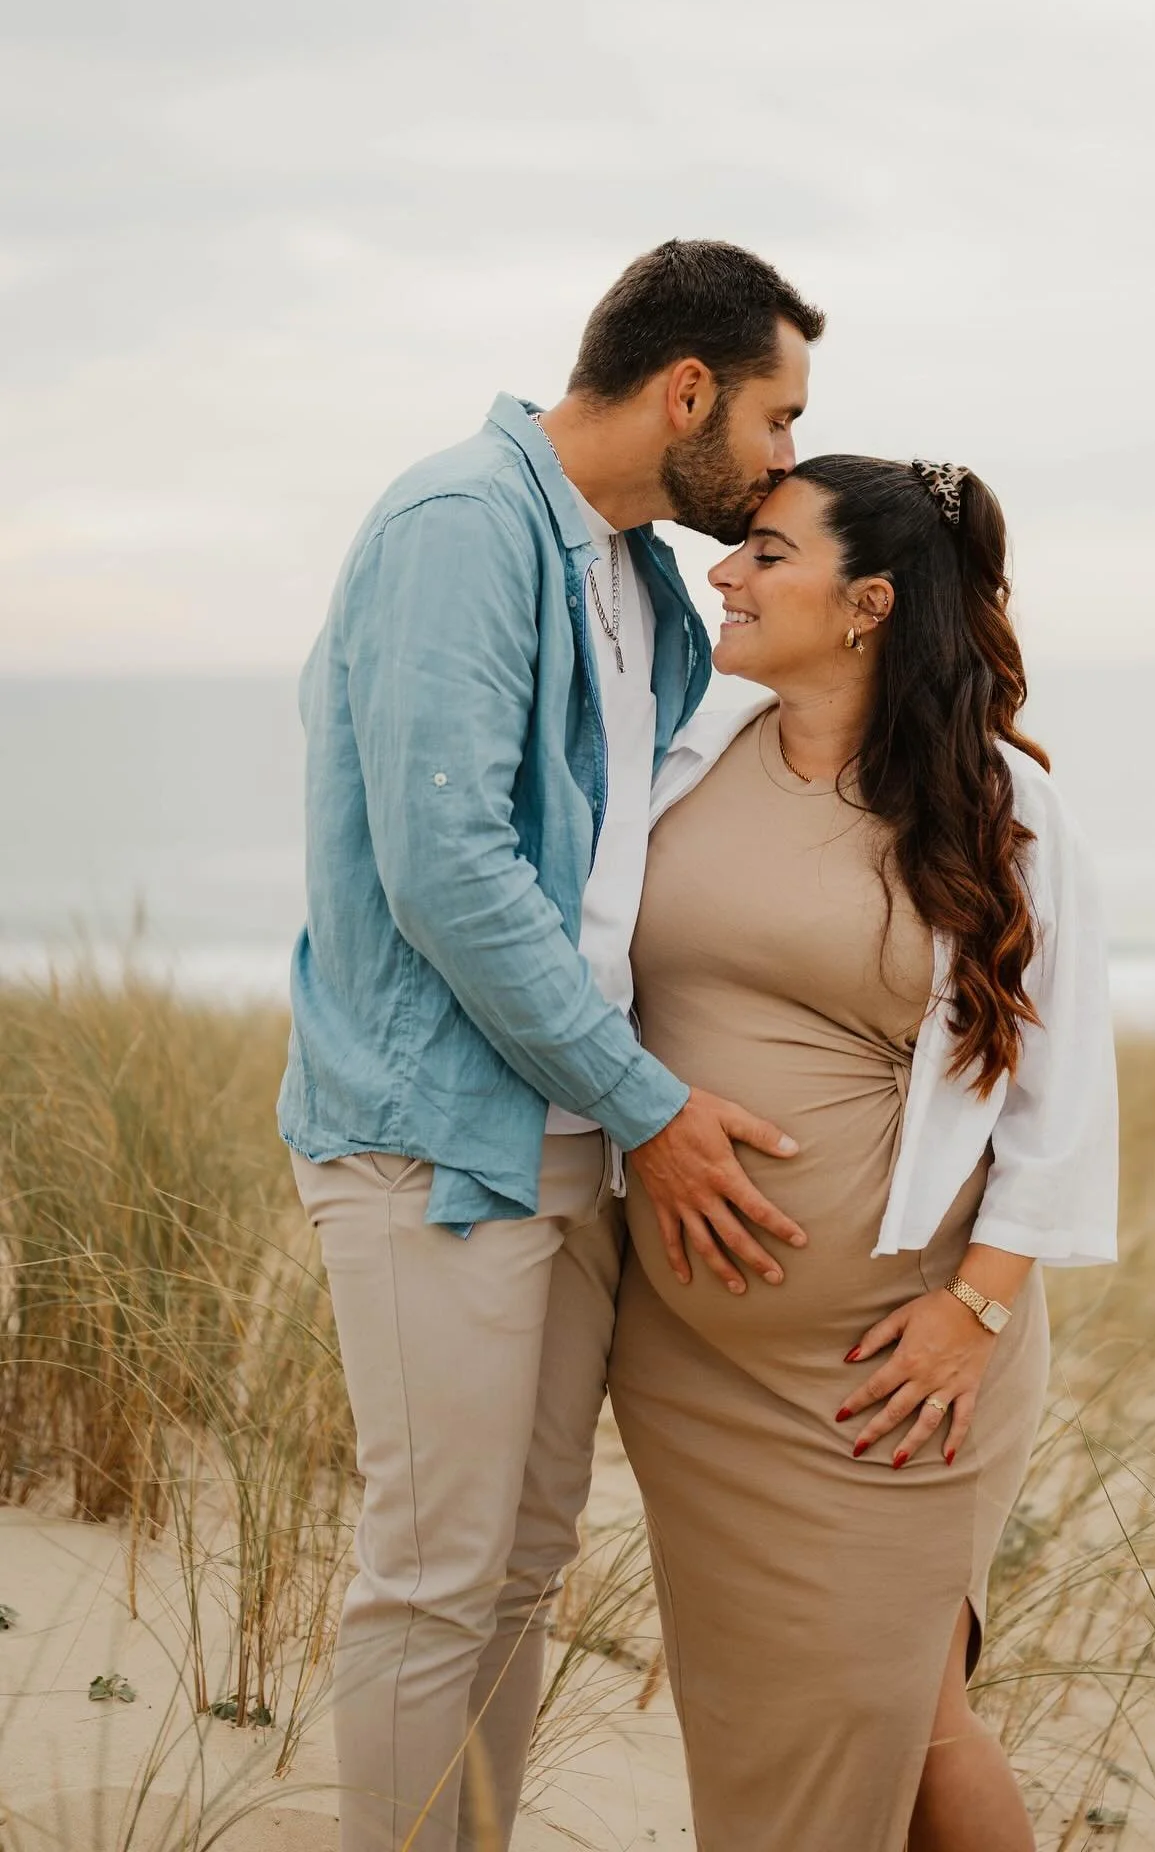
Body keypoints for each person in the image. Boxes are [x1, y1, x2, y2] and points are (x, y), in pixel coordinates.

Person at [277, 239, 826, 1852]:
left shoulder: (637, 572)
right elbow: (447, 870)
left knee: (518, 1567)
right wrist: (648, 1104)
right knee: (432, 1576)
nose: (785, 458)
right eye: (778, 419)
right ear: (688, 391)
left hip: (571, 1137)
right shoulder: (464, 525)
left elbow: (663, 818)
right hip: (434, 1134)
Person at [607, 454, 1119, 1852]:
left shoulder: (999, 802)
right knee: (766, 1731)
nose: (725, 572)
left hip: (897, 1373)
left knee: (913, 1716)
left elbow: (1061, 1093)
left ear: (870, 604)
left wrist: (975, 1310)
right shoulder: (685, 761)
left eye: (767, 554)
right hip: (691, 1366)